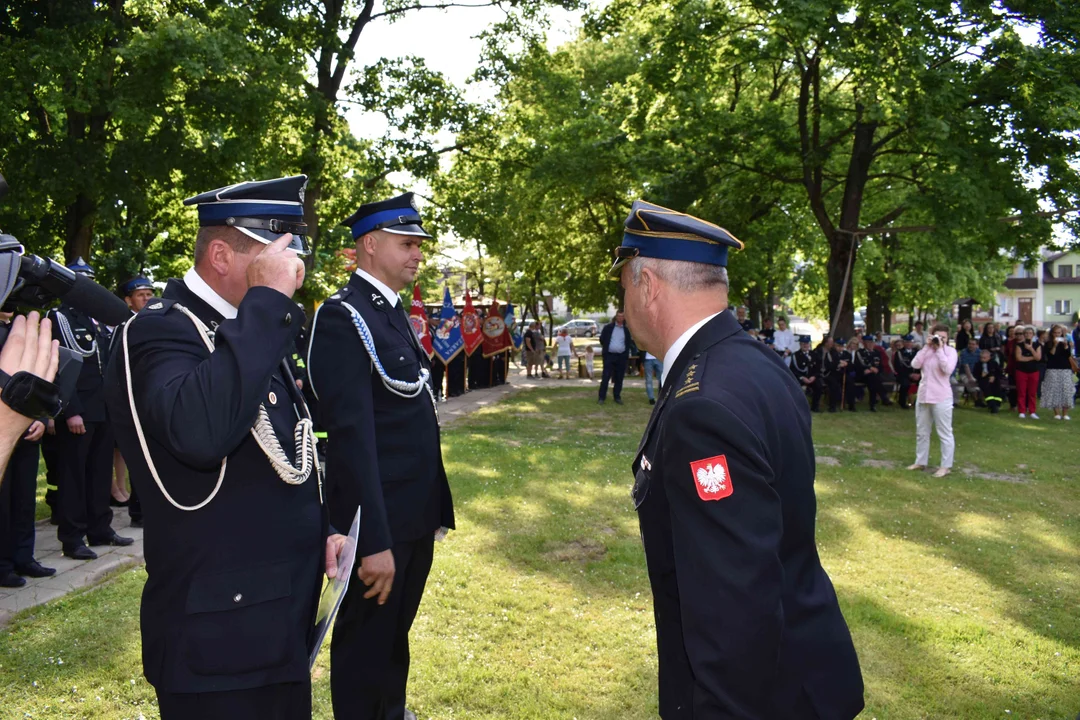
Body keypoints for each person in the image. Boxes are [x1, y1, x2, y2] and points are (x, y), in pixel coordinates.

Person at [610, 199, 863, 718]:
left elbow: (733, 604)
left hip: (763, 695)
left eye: (623, 287)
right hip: (801, 669)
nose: (625, 304)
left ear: (648, 285)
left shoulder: (703, 404)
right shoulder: (753, 362)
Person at [104, 175, 333, 720]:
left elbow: (279, 452)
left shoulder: (247, 329)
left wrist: (323, 531)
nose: (293, 272)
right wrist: (265, 303)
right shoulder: (159, 331)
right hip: (219, 641)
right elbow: (201, 434)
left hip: (277, 622)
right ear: (222, 254)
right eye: (276, 256)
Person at [307, 192, 455, 720]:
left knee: (394, 634)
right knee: (365, 643)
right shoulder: (343, 317)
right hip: (379, 521)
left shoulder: (390, 314)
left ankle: (392, 711)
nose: (418, 254)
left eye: (420, 244)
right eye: (407, 243)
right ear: (370, 245)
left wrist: (434, 505)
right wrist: (372, 541)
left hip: (411, 513)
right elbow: (350, 437)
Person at [48, 258, 132, 560]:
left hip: (104, 409)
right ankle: (72, 537)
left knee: (99, 473)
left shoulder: (101, 320)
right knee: (73, 476)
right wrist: (71, 410)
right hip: (78, 409)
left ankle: (100, 528)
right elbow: (57, 367)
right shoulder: (59, 318)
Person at [0, 312, 56, 586]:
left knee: (24, 499)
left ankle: (25, 557)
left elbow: (39, 383)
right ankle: (3, 565)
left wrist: (42, 419)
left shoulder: (18, 330)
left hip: (27, 429)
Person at [0, 312, 59, 481]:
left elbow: (47, 378)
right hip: (6, 423)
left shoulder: (25, 331)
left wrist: (41, 419)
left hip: (29, 424)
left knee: (24, 492)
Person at [117, 276, 156, 526]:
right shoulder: (125, 327)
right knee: (139, 460)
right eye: (141, 295)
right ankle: (139, 512)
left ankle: (149, 508)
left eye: (150, 294)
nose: (147, 298)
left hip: (152, 401)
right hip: (132, 403)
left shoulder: (156, 323)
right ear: (128, 300)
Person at [908, 324, 958, 477]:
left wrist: (940, 350)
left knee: (944, 432)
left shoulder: (950, 352)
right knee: (922, 431)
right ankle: (920, 461)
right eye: (938, 336)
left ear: (947, 338)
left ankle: (945, 465)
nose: (940, 339)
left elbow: (947, 370)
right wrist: (927, 347)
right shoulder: (927, 351)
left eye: (943, 337)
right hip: (924, 395)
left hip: (941, 396)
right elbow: (915, 364)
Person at [598, 310, 632, 405]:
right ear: (616, 317)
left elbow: (628, 343)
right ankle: (601, 397)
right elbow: (602, 339)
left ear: (624, 318)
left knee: (619, 377)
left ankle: (617, 396)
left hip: (621, 357)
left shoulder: (626, 330)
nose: (620, 318)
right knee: (606, 376)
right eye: (619, 316)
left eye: (622, 316)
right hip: (609, 356)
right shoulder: (608, 328)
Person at [1041, 324, 1074, 420]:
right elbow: (1051, 355)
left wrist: (1066, 346)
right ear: (1052, 333)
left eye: (1059, 333)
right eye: (1055, 333)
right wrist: (1054, 345)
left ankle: (1065, 413)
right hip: (1052, 368)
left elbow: (1068, 355)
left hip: (1065, 368)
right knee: (1054, 390)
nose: (1057, 335)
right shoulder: (1048, 343)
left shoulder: (1066, 342)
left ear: (1062, 333)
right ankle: (1056, 413)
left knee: (1066, 390)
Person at [856, 333, 892, 411]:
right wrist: (870, 368)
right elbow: (859, 364)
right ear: (864, 343)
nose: (870, 344)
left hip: (874, 375)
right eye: (868, 342)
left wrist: (877, 370)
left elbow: (881, 366)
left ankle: (873, 405)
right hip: (863, 375)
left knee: (873, 380)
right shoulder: (860, 352)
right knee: (873, 379)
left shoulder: (877, 353)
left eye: (872, 342)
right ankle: (883, 397)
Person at [1014, 325, 1042, 418]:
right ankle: (1022, 411)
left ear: (1033, 334)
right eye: (1026, 333)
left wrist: (1030, 349)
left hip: (1033, 371)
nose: (1028, 335)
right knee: (1022, 392)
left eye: (1030, 333)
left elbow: (1038, 358)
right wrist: (1032, 357)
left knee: (1032, 393)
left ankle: (1032, 411)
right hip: (1021, 371)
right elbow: (1019, 358)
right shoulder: (1019, 345)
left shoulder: (1037, 345)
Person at [790, 335, 823, 412]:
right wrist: (802, 377)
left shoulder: (814, 354)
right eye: (803, 343)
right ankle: (800, 407)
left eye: (806, 343)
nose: (805, 345)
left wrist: (814, 376)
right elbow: (793, 370)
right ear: (800, 344)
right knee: (795, 387)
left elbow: (818, 369)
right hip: (801, 378)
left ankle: (815, 407)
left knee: (819, 386)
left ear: (809, 344)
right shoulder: (795, 355)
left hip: (812, 378)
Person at [816, 335, 843, 412]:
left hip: (829, 373)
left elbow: (835, 363)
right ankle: (816, 406)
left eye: (832, 342)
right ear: (825, 343)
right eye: (830, 342)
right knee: (818, 385)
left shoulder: (833, 352)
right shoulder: (818, 351)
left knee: (834, 385)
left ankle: (832, 406)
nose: (832, 344)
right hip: (818, 373)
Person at [893, 334, 919, 409]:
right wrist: (909, 375)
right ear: (904, 343)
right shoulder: (899, 353)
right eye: (907, 342)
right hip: (904, 375)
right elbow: (897, 367)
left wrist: (918, 374)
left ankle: (918, 402)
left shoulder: (917, 352)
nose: (909, 344)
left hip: (916, 374)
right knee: (905, 384)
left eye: (910, 342)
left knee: (925, 383)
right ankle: (902, 402)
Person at [974, 348, 1004, 413]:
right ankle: (992, 405)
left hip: (994, 380)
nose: (983, 359)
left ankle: (997, 404)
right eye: (981, 358)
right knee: (987, 391)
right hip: (983, 380)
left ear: (989, 357)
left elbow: (999, 372)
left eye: (984, 358)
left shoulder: (994, 363)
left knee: (997, 390)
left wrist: (993, 376)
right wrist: (981, 375)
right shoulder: (978, 364)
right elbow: (975, 374)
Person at [955, 337, 983, 405]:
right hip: (964, 373)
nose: (971, 345)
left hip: (976, 372)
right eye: (969, 344)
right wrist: (970, 378)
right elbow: (966, 366)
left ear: (977, 345)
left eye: (973, 344)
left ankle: (981, 400)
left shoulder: (979, 352)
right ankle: (976, 401)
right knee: (971, 382)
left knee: (984, 381)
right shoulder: (964, 352)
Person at [840, 337, 859, 411]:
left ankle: (852, 402)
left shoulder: (857, 353)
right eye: (853, 343)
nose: (854, 345)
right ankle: (850, 403)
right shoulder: (845, 352)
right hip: (845, 372)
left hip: (855, 372)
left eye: (856, 344)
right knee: (850, 383)